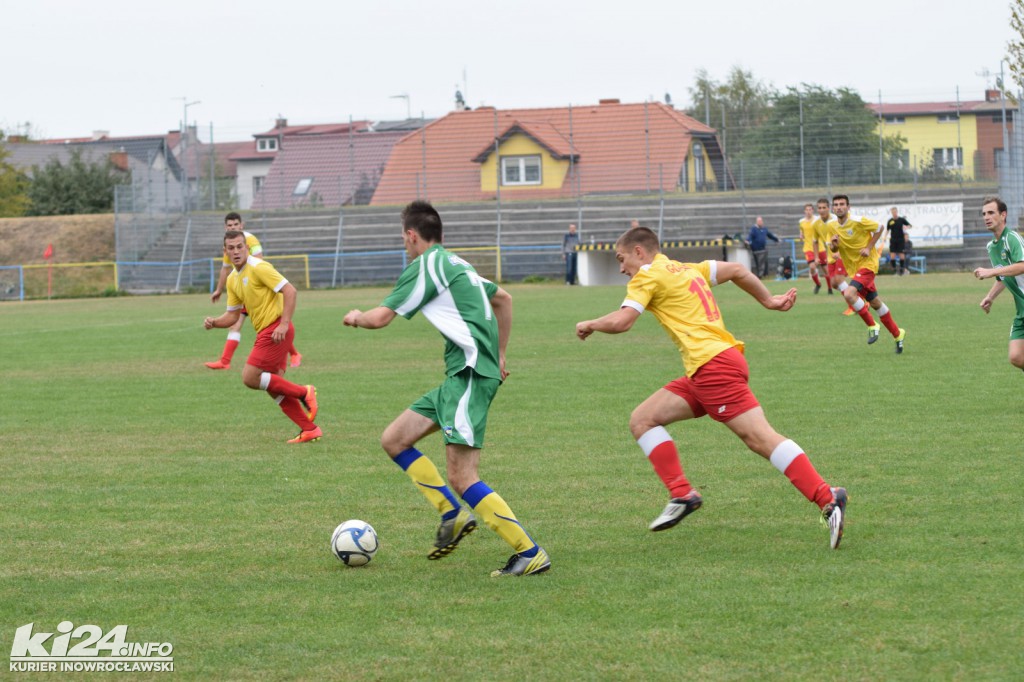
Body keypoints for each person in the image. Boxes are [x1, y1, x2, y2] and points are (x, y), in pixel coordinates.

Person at [574, 225, 848, 549]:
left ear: (639, 251)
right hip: (710, 366)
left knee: (760, 438)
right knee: (643, 419)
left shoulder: (647, 275)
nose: (622, 268)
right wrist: (768, 300)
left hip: (713, 368)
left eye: (621, 259)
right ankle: (681, 493)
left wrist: (590, 323)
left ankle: (827, 496)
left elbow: (623, 321)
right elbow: (737, 270)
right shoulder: (687, 268)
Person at [342, 200, 549, 577]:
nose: (404, 245)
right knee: (394, 439)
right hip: (461, 376)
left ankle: (529, 551)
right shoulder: (457, 264)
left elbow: (380, 318)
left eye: (403, 238)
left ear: (411, 235)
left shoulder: (426, 266)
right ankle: (451, 512)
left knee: (463, 475)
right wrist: (500, 354)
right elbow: (503, 299)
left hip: (469, 375)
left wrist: (356, 317)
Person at [204, 230, 321, 443]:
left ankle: (304, 392)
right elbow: (232, 316)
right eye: (231, 248)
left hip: (275, 329)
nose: (236, 251)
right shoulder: (232, 279)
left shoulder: (259, 267)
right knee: (274, 387)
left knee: (250, 377)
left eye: (240, 246)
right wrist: (215, 322)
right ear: (225, 252)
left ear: (247, 248)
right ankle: (309, 429)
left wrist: (284, 324)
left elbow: (290, 291)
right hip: (269, 332)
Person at [206, 212, 302, 370]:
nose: (233, 228)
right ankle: (225, 361)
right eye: (230, 225)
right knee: (271, 375)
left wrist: (251, 283)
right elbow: (225, 269)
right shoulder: (229, 247)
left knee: (252, 374)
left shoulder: (250, 240)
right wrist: (218, 290)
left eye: (235, 225)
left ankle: (225, 361)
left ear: (241, 225)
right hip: (243, 289)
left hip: (255, 289)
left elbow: (259, 262)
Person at [828, 195, 906, 352]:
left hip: (868, 265)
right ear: (833, 208)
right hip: (854, 269)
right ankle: (898, 334)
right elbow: (834, 248)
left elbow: (879, 228)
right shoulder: (832, 226)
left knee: (849, 293)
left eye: (842, 204)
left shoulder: (857, 221)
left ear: (848, 207)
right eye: (836, 204)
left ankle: (872, 325)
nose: (839, 207)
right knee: (876, 303)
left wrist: (869, 248)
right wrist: (834, 246)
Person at [973, 196, 1024, 371]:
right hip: (1021, 310)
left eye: (991, 213)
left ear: (1003, 215)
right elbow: (1005, 276)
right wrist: (990, 297)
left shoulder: (1012, 238)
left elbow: (1022, 266)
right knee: (1016, 357)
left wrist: (991, 271)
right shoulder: (991, 247)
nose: (986, 217)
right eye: (984, 214)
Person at [798, 203, 824, 294]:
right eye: (807, 210)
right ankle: (818, 284)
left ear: (813, 210)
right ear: (804, 211)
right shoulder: (801, 221)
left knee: (825, 269)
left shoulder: (817, 219)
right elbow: (801, 231)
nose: (808, 211)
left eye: (810, 209)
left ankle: (829, 289)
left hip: (819, 247)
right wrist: (801, 235)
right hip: (808, 248)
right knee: (812, 267)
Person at [886, 207, 912, 276]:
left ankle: (902, 270)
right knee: (892, 256)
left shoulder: (901, 220)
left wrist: (906, 227)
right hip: (893, 240)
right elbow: (887, 230)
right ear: (891, 213)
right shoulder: (890, 221)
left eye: (895, 212)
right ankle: (895, 271)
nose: (894, 213)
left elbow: (910, 225)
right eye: (893, 212)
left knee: (901, 255)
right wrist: (885, 237)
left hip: (900, 240)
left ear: (897, 212)